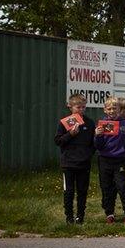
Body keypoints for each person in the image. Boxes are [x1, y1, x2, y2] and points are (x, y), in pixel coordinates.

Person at [93, 97, 125, 224]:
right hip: (104, 160)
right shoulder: (101, 124)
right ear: (105, 110)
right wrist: (97, 135)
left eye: (114, 108)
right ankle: (109, 214)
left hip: (120, 160)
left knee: (122, 187)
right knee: (106, 187)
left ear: (119, 109)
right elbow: (98, 146)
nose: (112, 111)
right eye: (109, 109)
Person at [53, 94, 95, 224]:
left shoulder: (89, 122)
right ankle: (69, 217)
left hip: (84, 163)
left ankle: (80, 216)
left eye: (83, 107)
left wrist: (88, 154)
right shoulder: (64, 122)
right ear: (70, 107)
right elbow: (58, 141)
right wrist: (70, 134)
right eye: (78, 107)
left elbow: (92, 144)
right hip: (68, 164)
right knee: (69, 191)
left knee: (82, 191)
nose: (81, 110)